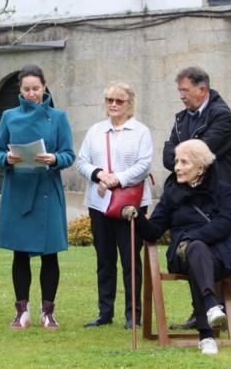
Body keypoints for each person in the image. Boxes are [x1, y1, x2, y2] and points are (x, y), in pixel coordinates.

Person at [123, 139, 231, 356]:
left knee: (198, 250)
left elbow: (225, 223)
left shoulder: (223, 190)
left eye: (184, 162)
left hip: (218, 255)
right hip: (182, 254)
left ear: (200, 167)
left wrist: (193, 237)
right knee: (195, 250)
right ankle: (210, 310)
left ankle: (207, 331)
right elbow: (154, 230)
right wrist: (137, 216)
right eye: (176, 161)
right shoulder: (172, 193)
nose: (177, 167)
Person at [162, 66, 231, 330]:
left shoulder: (221, 116)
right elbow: (167, 157)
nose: (181, 96)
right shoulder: (181, 119)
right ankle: (203, 312)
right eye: (179, 90)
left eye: (184, 90)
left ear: (202, 90)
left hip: (223, 198)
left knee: (221, 251)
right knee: (194, 250)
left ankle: (219, 311)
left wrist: (183, 154)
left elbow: (202, 154)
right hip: (194, 200)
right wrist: (184, 156)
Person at [0, 64, 75, 330]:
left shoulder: (58, 117)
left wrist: (54, 158)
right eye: (27, 89)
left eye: (36, 89)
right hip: (18, 190)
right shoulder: (8, 116)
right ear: (20, 90)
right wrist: (7, 158)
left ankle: (48, 313)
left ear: (44, 87)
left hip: (47, 191)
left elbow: (69, 154)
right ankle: (22, 312)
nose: (31, 94)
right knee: (20, 253)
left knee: (50, 254)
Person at [76, 82, 152, 329]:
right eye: (109, 100)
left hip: (130, 204)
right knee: (104, 259)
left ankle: (133, 315)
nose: (113, 105)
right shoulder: (96, 131)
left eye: (119, 101)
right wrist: (99, 174)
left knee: (131, 259)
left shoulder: (140, 131)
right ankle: (105, 312)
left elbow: (144, 165)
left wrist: (116, 179)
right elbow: (82, 162)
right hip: (99, 203)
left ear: (130, 103)